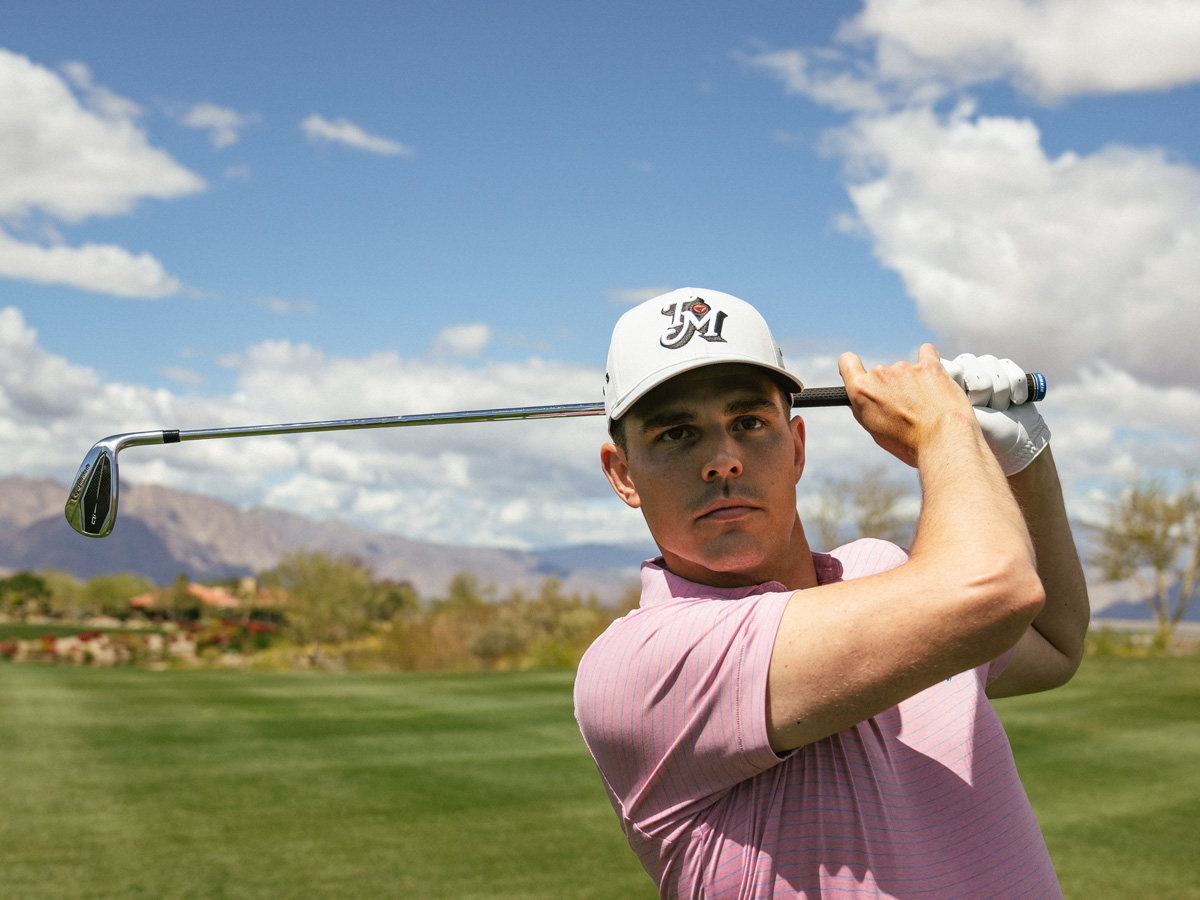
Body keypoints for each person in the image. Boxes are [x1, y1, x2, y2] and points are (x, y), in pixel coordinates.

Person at [573, 287, 1089, 899]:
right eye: (676, 434)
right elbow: (994, 588)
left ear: (795, 447)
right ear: (623, 473)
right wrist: (946, 425)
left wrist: (1021, 453)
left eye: (748, 422)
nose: (721, 460)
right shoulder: (639, 665)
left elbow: (1054, 640)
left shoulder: (883, 569)